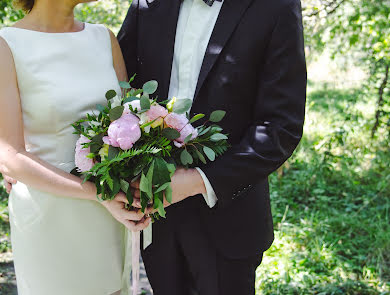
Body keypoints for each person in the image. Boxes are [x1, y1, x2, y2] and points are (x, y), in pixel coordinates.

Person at [118, 0, 307, 294]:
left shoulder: (276, 7)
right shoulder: (148, 4)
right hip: (155, 213)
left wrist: (196, 181)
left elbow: (280, 126)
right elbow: (116, 85)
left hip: (229, 217)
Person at [0, 0, 151, 294]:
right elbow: (8, 156)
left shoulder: (103, 38)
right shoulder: (1, 46)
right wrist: (99, 195)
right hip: (49, 212)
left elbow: (129, 119)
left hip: (110, 212)